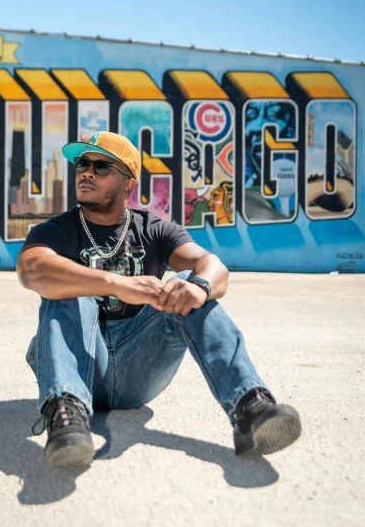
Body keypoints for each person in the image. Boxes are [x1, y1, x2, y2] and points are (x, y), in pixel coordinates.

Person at [17, 131, 301, 467]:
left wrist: (199, 288)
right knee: (68, 287)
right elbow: (30, 269)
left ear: (128, 184)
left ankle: (250, 407)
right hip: (80, 365)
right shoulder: (54, 230)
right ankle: (67, 418)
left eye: (101, 165)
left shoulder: (154, 229)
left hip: (141, 366)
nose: (86, 172)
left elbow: (213, 267)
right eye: (81, 164)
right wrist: (116, 283)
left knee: (186, 284)